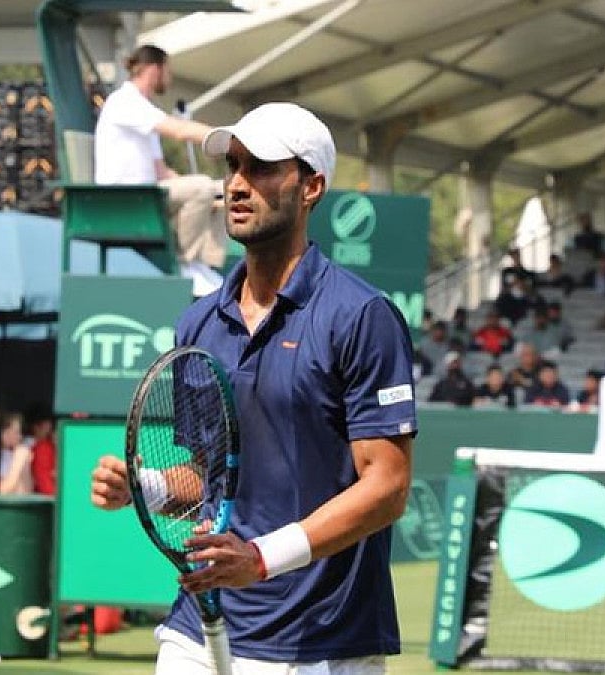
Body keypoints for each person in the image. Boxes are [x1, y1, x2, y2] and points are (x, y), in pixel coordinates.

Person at [90, 102, 415, 673]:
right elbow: (204, 475)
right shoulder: (197, 324)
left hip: (319, 641)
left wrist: (261, 558)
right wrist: (144, 487)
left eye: (262, 168)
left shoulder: (362, 316)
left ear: (311, 186)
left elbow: (386, 487)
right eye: (233, 166)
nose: (237, 185)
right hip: (201, 625)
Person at [94, 44, 228, 296]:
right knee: (201, 187)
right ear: (155, 69)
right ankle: (185, 264)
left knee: (219, 189)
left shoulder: (144, 110)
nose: (170, 77)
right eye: (168, 70)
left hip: (147, 193)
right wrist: (227, 139)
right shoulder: (125, 102)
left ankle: (202, 264)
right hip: (123, 199)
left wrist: (206, 189)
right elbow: (179, 130)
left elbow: (162, 172)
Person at [0, 412, 34, 495]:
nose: (19, 437)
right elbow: (3, 490)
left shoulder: (18, 452)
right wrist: (19, 460)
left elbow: (28, 490)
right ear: (4, 431)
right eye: (16, 432)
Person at [27, 404, 58, 496]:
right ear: (36, 427)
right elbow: (45, 485)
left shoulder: (50, 447)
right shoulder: (42, 448)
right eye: (47, 426)